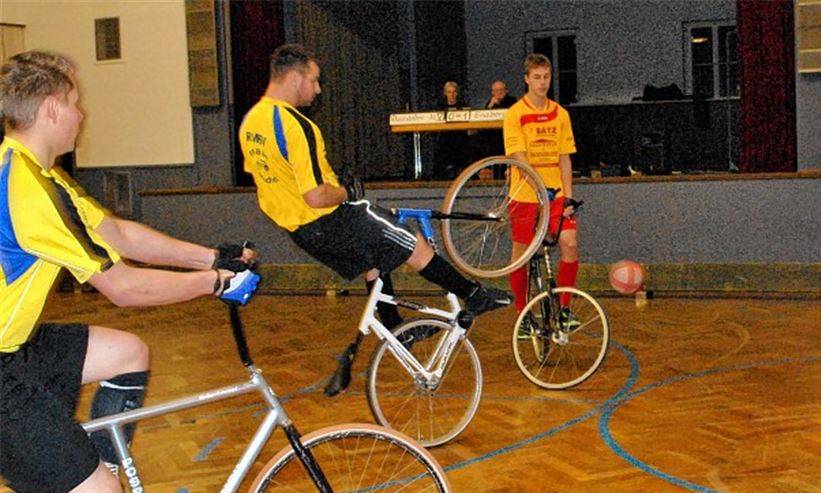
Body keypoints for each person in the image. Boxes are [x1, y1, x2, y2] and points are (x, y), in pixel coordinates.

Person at [0, 50, 258, 493]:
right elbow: (123, 286)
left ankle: (105, 483)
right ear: (50, 109)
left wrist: (211, 256)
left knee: (126, 353)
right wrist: (214, 285)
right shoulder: (29, 190)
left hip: (15, 347)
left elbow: (118, 233)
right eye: (74, 103)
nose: (82, 114)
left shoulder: (31, 171)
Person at [237, 45, 510, 346]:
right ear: (294, 78)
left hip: (299, 231)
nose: (317, 90)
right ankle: (475, 295)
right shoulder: (296, 124)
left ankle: (395, 328)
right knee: (409, 239)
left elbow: (273, 177)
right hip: (327, 219)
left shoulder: (251, 122)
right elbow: (315, 196)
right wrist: (346, 191)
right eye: (313, 80)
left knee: (376, 252)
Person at [503, 54, 580, 338]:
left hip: (555, 192)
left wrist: (568, 197)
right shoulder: (514, 114)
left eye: (546, 77)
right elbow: (519, 157)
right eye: (536, 77)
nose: (542, 83)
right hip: (524, 194)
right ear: (526, 79)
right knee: (521, 254)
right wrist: (537, 188)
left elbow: (565, 158)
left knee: (569, 244)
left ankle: (564, 309)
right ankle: (522, 313)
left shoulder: (560, 114)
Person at [477, 79, 517, 168]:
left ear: (506, 91)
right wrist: (490, 106)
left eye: (501, 90)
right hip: (493, 138)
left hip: (507, 137)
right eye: (496, 90)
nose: (499, 92)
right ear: (492, 92)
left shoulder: (512, 101)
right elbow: (485, 119)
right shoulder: (490, 103)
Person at [433, 80, 469, 180]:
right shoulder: (439, 107)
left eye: (453, 92)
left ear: (457, 93)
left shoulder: (463, 106)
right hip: (445, 137)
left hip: (460, 137)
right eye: (449, 92)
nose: (451, 94)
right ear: (445, 93)